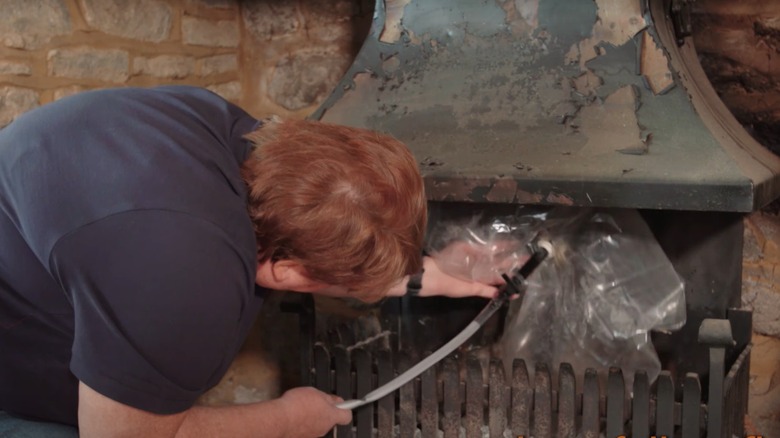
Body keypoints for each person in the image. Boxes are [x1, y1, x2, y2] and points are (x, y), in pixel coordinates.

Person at [0, 86, 499, 437]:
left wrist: (431, 273)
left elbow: (329, 219)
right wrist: (285, 421)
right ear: (286, 274)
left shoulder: (235, 135)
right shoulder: (181, 281)